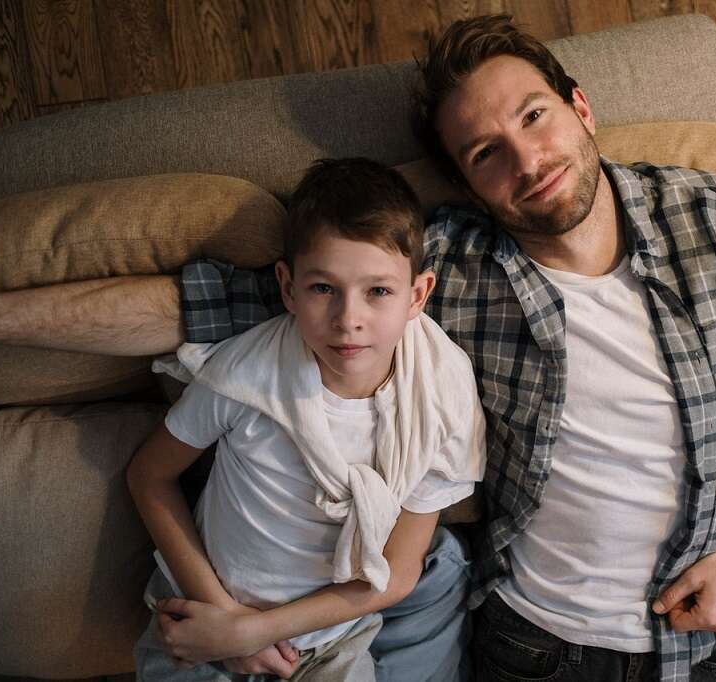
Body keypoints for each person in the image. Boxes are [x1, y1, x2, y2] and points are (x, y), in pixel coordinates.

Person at [0, 14, 716, 681]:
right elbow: (198, 307)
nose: (526, 161)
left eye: (534, 117)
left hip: (705, 640)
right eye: (484, 153)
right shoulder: (443, 273)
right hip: (531, 643)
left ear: (581, 107)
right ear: (467, 186)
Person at [126, 158, 486, 680]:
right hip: (203, 611)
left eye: (378, 291)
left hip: (332, 634)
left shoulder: (442, 393)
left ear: (417, 295)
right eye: (323, 288)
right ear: (288, 288)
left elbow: (398, 573)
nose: (348, 319)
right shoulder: (245, 376)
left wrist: (253, 632)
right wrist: (225, 624)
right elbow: (149, 475)